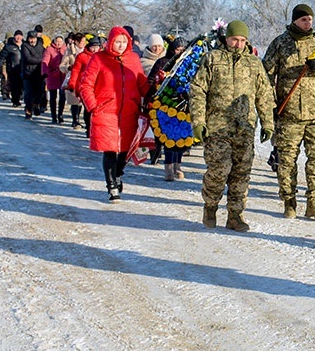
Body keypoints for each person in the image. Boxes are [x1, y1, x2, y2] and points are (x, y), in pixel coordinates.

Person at [189, 20, 275, 232]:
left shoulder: (254, 63)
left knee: (241, 173)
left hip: (244, 128)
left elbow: (264, 94)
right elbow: (198, 90)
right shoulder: (212, 59)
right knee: (219, 170)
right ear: (226, 38)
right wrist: (198, 121)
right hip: (217, 127)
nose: (238, 44)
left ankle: (235, 215)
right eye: (234, 39)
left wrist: (267, 122)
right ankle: (210, 206)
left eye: (242, 40)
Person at [262, 3, 315, 220]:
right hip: (289, 112)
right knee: (287, 160)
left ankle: (314, 201)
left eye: (311, 20)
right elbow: (265, 75)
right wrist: (271, 103)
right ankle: (289, 200)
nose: (308, 23)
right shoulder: (280, 43)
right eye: (304, 19)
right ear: (295, 20)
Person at [77, 26, 148, 202]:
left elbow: (142, 84)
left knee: (125, 150)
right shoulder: (99, 59)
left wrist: (156, 82)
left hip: (129, 111)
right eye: (118, 41)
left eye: (124, 42)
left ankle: (118, 174)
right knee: (110, 150)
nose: (121, 45)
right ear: (110, 42)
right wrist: (93, 106)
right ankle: (112, 187)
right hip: (106, 112)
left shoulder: (133, 59)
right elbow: (86, 85)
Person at [146, 37, 189, 176]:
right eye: (178, 49)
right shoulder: (163, 62)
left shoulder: (188, 64)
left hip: (182, 105)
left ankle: (178, 165)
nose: (180, 52)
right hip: (165, 104)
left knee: (181, 136)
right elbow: (151, 80)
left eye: (183, 50)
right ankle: (168, 167)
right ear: (172, 49)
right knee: (169, 137)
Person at [69, 36, 105, 136]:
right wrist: (72, 84)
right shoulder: (82, 56)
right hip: (85, 86)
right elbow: (75, 71)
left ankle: (95, 128)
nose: (94, 49)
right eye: (93, 47)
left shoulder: (102, 56)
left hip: (98, 87)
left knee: (97, 109)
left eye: (97, 47)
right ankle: (89, 128)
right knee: (88, 108)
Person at [59, 33, 86, 129]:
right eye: (82, 41)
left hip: (83, 78)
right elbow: (61, 66)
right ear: (76, 42)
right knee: (74, 99)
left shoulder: (86, 51)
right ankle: (75, 120)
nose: (84, 43)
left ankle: (78, 118)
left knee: (81, 101)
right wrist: (69, 68)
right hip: (72, 78)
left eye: (84, 41)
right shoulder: (69, 52)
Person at [20, 30, 47, 119]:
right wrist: (41, 60)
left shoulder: (40, 45)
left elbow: (45, 55)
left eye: (34, 38)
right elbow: (28, 59)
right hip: (28, 74)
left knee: (40, 92)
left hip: (39, 73)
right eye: (30, 38)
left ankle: (36, 105)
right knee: (29, 93)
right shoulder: (24, 46)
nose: (32, 40)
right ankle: (28, 110)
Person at [41, 35, 67, 124]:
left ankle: (60, 114)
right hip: (52, 75)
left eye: (60, 41)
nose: (59, 43)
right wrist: (44, 72)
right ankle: (53, 116)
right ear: (54, 41)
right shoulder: (49, 49)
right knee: (53, 96)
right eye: (57, 41)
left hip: (63, 75)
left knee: (62, 96)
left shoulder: (65, 49)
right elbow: (45, 61)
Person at [0, 31, 23, 106]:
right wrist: (1, 66)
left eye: (20, 36)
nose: (18, 38)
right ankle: (15, 101)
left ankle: (20, 97)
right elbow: (2, 57)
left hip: (23, 68)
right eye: (17, 36)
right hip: (12, 69)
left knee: (22, 85)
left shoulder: (24, 45)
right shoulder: (9, 46)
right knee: (14, 85)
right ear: (14, 36)